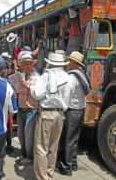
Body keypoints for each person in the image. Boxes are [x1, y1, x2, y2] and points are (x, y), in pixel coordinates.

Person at [30, 51, 73, 180]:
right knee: (53, 146)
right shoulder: (68, 78)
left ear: (50, 63)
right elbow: (68, 98)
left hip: (47, 113)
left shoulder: (45, 77)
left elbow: (37, 94)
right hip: (60, 114)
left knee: (41, 147)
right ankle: (49, 173)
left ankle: (42, 177)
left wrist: (32, 87)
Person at [57, 51, 90, 175]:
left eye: (69, 61)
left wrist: (61, 109)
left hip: (72, 110)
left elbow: (66, 96)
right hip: (80, 108)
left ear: (72, 62)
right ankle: (73, 162)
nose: (67, 63)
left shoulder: (71, 77)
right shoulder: (82, 74)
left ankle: (66, 166)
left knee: (67, 139)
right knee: (74, 139)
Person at [9, 51, 38, 164]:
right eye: (24, 63)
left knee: (29, 135)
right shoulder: (20, 75)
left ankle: (29, 157)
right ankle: (24, 153)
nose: (25, 65)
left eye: (28, 63)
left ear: (31, 64)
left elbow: (36, 92)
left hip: (31, 109)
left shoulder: (36, 76)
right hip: (21, 107)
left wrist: (24, 83)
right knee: (21, 134)